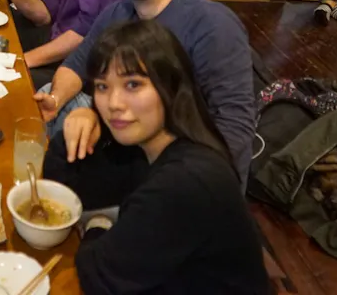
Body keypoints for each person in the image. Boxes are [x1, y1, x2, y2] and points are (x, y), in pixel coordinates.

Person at [36, 0, 255, 195]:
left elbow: (234, 123)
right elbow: (75, 66)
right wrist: (58, 102)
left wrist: (202, 188)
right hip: (131, 146)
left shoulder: (212, 24)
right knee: (55, 161)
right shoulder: (116, 13)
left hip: (191, 170)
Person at [74, 21, 269, 294]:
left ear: (172, 85)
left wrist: (96, 227)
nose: (114, 103)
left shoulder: (186, 180)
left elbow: (98, 275)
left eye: (132, 84)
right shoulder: (159, 148)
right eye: (102, 86)